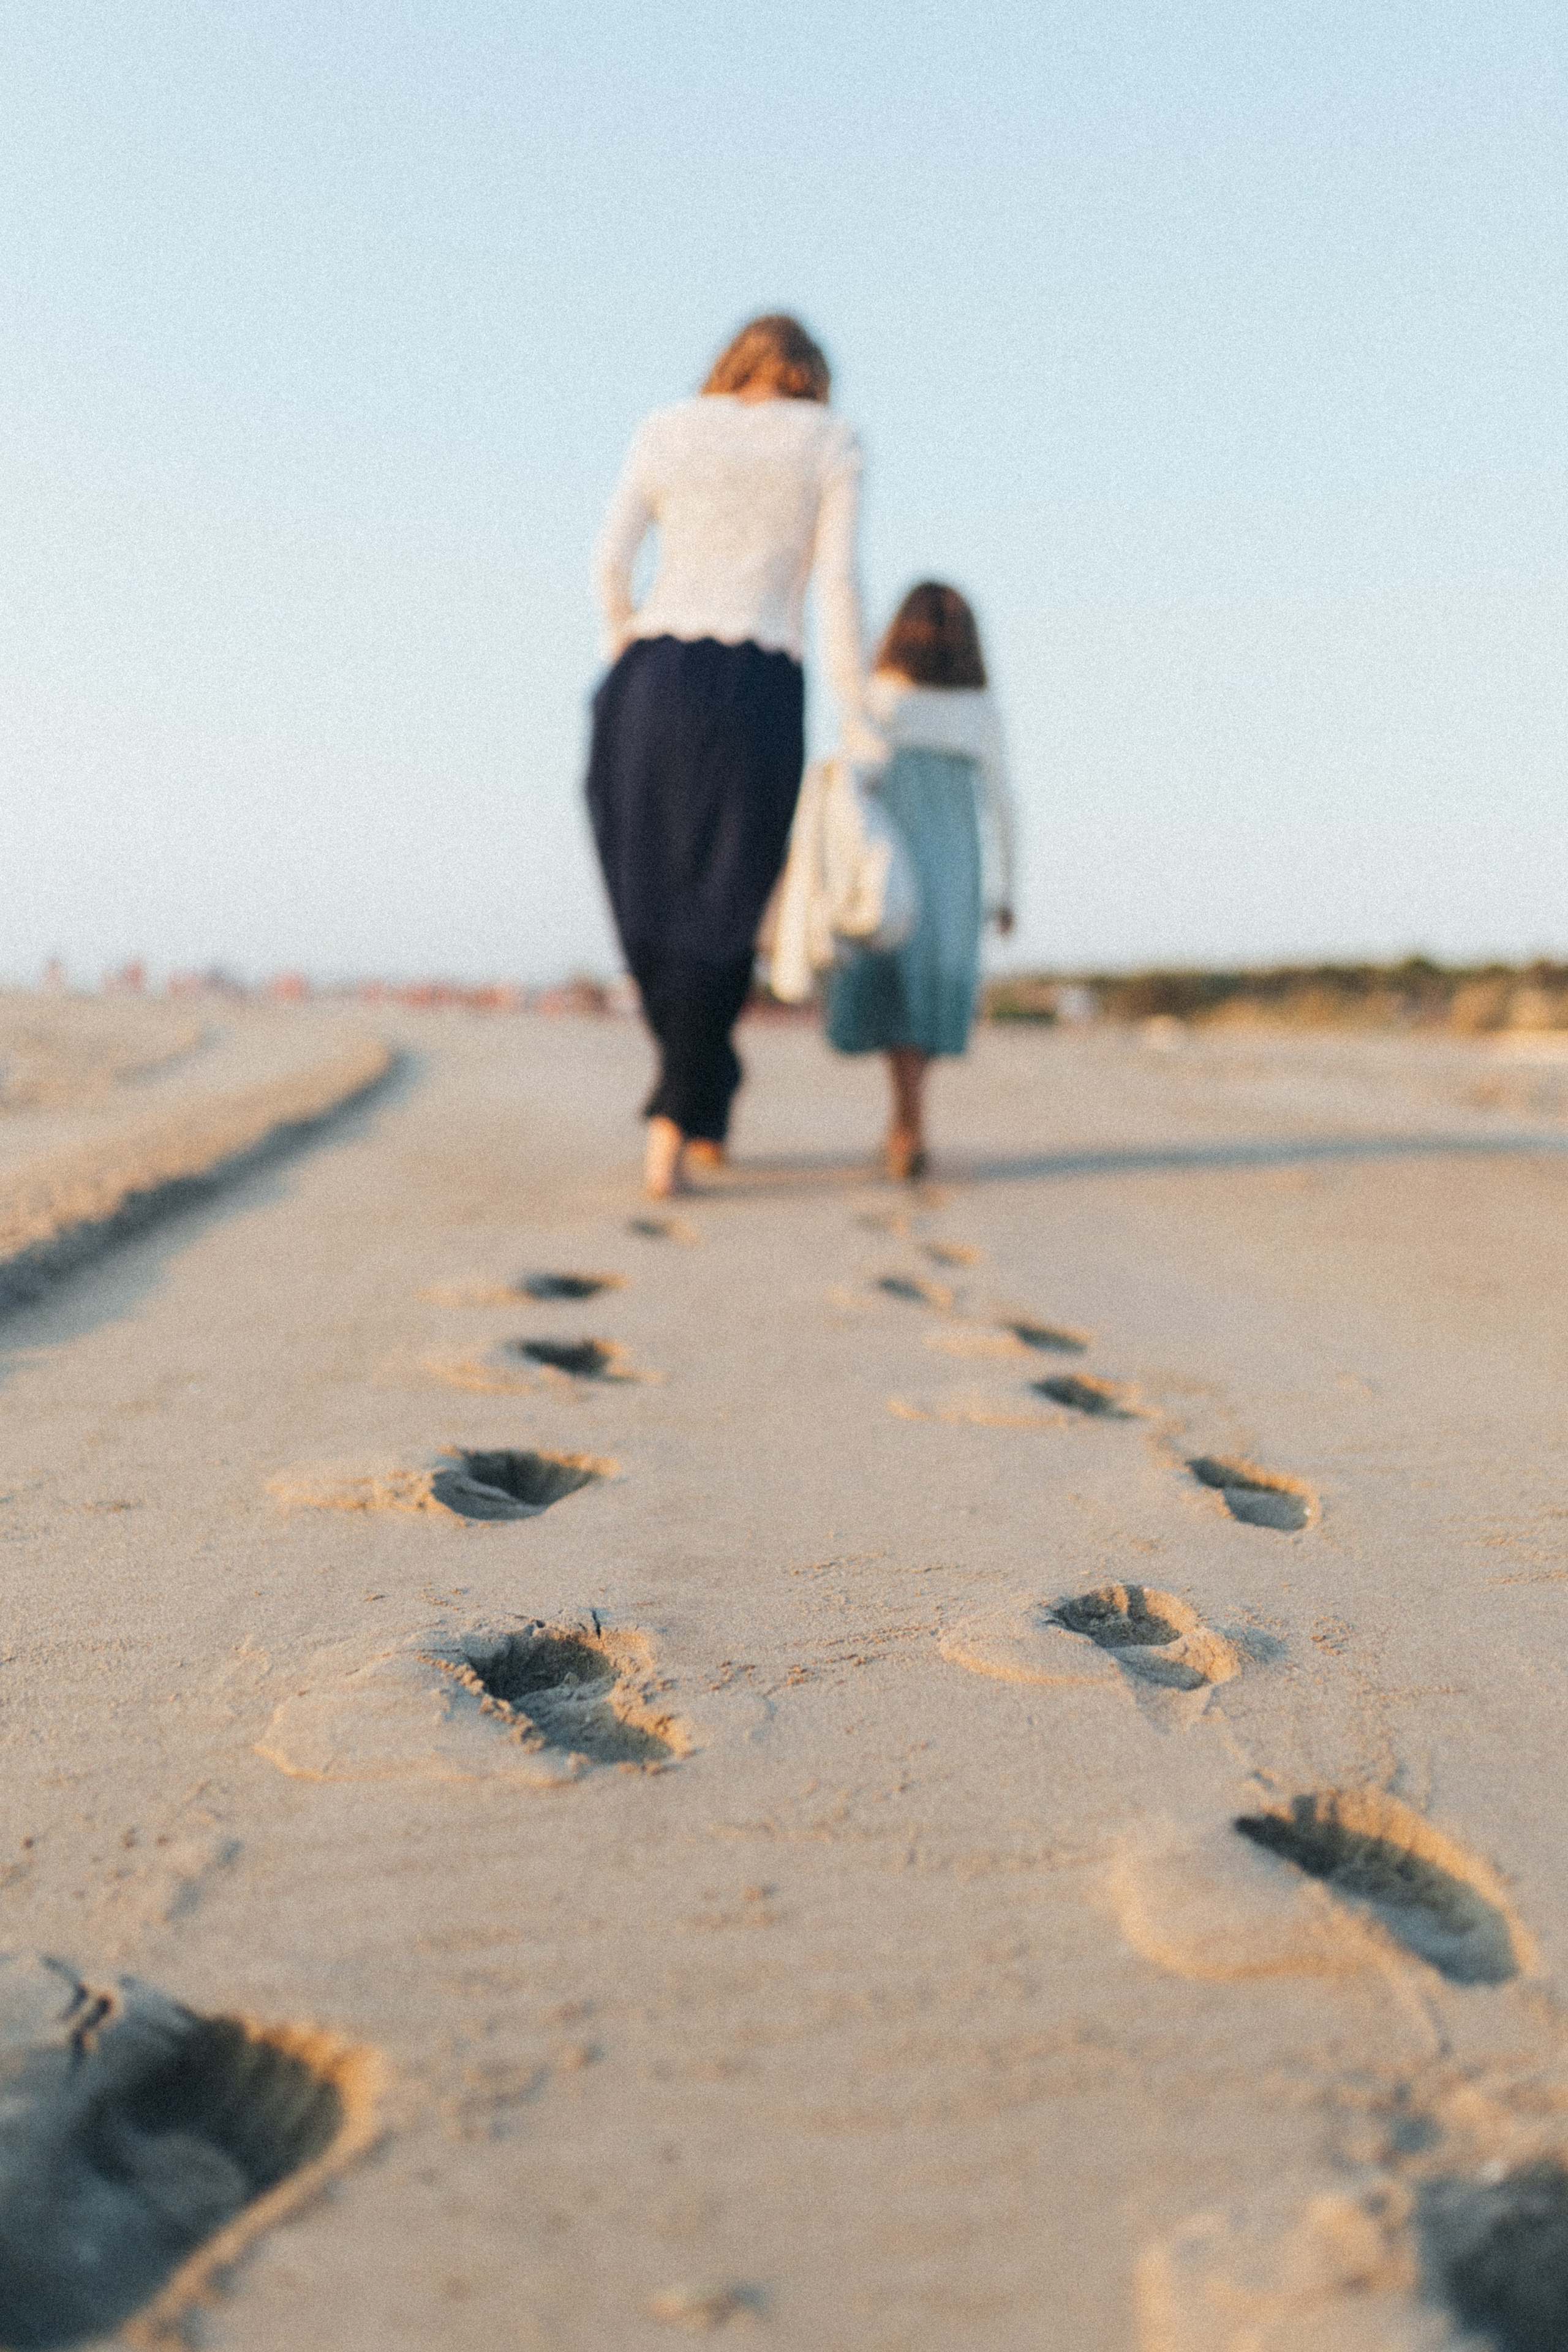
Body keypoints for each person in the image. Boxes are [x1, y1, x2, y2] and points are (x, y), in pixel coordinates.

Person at [587, 314, 874, 1197]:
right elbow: (837, 586)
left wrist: (623, 646)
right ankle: (691, 1103)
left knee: (645, 896)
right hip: (759, 680)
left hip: (653, 671)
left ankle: (689, 1099)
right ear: (812, 378)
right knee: (727, 904)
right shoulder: (830, 440)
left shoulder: (667, 428)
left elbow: (608, 563)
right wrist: (857, 712)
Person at [824, 582, 1016, 1179]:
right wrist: (1008, 889)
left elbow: (849, 785)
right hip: (956, 868)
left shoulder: (881, 698)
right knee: (932, 991)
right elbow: (1004, 805)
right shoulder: (979, 710)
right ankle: (909, 1119)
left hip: (892, 861)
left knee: (895, 987)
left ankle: (906, 1120)